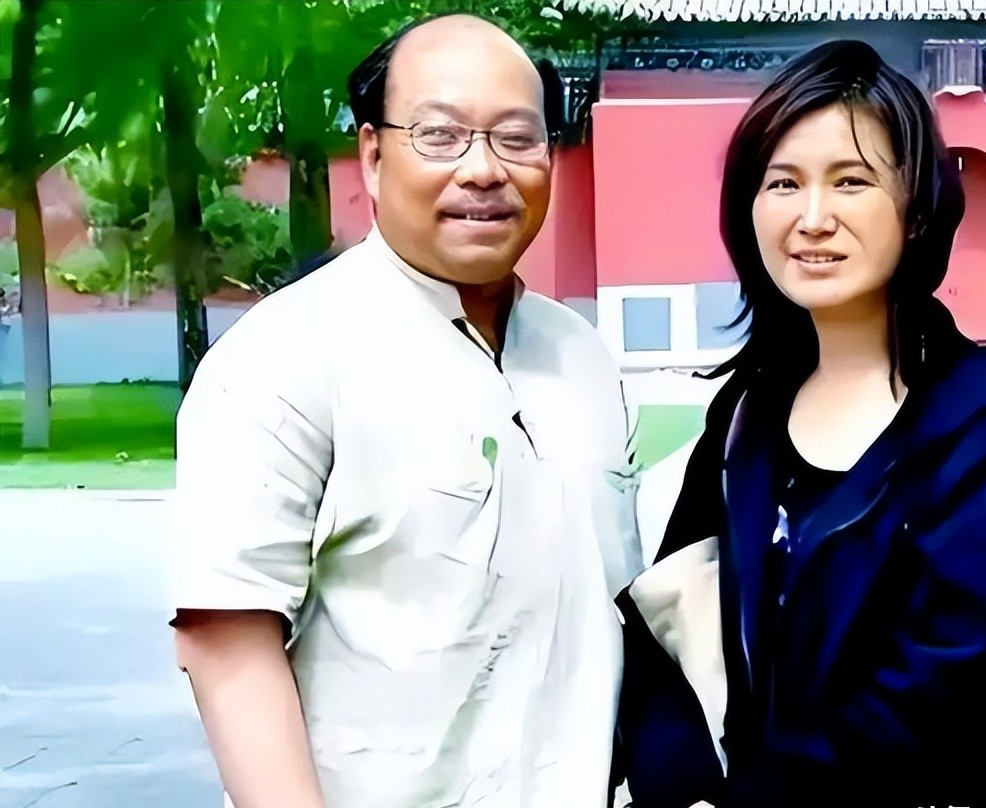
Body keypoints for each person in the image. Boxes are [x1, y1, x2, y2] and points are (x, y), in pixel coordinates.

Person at [170, 14, 642, 808]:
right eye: (440, 135)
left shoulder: (582, 358)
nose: (483, 170)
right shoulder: (282, 357)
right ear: (373, 153)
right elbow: (227, 640)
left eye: (516, 138)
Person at [614, 40, 986, 808]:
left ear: (916, 211)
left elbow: (942, 684)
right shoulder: (746, 412)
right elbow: (670, 618)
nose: (812, 218)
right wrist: (674, 778)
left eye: (851, 181)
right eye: (783, 183)